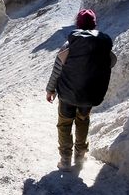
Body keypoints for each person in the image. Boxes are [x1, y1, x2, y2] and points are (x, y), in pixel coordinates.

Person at [45, 9, 117, 171]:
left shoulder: (69, 44)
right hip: (89, 93)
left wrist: (51, 90)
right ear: (94, 24)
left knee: (64, 124)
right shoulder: (102, 44)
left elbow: (57, 70)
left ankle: (65, 159)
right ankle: (80, 156)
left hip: (67, 94)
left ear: (78, 23)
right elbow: (111, 63)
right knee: (83, 121)